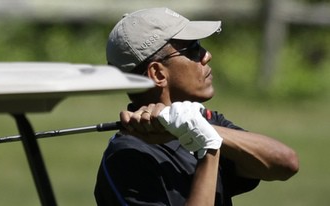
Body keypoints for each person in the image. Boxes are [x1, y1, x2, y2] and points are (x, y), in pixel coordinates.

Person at [94, 7, 299, 206]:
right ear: (157, 73)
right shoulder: (126, 159)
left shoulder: (201, 119)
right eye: (192, 49)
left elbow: (286, 164)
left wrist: (201, 129)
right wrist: (207, 146)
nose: (206, 55)